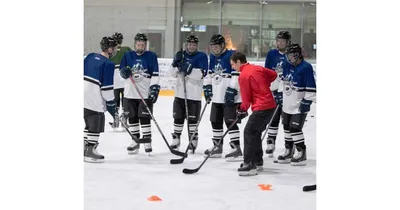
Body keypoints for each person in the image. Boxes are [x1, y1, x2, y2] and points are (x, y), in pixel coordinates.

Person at [230, 52, 277, 176]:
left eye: (233, 64)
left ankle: (249, 164)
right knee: (255, 132)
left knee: (249, 132)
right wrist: (264, 84)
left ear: (239, 62)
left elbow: (246, 98)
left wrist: (242, 110)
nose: (232, 67)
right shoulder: (257, 68)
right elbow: (273, 74)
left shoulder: (243, 75)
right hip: (270, 105)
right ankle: (257, 161)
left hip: (262, 107)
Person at [203, 34, 243, 161]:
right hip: (217, 97)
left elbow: (237, 74)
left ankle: (236, 148)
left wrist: (232, 90)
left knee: (230, 121)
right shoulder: (212, 57)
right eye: (213, 46)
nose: (215, 49)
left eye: (217, 46)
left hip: (229, 97)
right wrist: (207, 87)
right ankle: (217, 147)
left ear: (222, 46)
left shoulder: (232, 55)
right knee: (215, 121)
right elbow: (209, 74)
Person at [119, 33, 160, 154]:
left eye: (143, 45)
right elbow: (121, 73)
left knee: (145, 117)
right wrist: (123, 73)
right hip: (130, 93)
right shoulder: (127, 55)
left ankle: (147, 141)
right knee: (132, 118)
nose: (140, 46)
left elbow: (155, 75)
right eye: (138, 44)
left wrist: (154, 89)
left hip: (144, 93)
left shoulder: (151, 56)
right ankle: (135, 141)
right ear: (135, 44)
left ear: (145, 45)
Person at [276, 44, 316, 166]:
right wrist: (279, 94)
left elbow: (311, 85)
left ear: (297, 54)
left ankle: (301, 151)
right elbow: (283, 81)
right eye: (287, 55)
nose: (289, 57)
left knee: (295, 128)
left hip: (299, 104)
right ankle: (289, 150)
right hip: (288, 102)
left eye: (291, 55)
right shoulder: (287, 65)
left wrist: (307, 100)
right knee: (287, 127)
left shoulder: (306, 67)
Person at [169, 34, 208, 153]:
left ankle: (193, 140)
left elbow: (201, 74)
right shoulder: (181, 55)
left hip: (194, 95)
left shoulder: (202, 56)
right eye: (190, 44)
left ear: (197, 46)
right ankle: (176, 140)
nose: (191, 46)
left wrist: (188, 70)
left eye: (194, 45)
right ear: (186, 45)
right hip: (180, 94)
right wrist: (175, 64)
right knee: (178, 118)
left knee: (192, 120)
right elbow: (172, 73)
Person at [84, 37, 118, 163]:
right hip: (94, 98)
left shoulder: (90, 56)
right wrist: (111, 103)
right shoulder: (108, 64)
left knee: (87, 123)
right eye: (114, 48)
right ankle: (90, 151)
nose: (115, 51)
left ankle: (83, 147)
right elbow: (106, 89)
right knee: (95, 122)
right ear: (109, 49)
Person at [263, 31, 291, 157]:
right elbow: (266, 72)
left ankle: (289, 146)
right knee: (273, 117)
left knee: (286, 121)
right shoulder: (271, 54)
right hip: (273, 90)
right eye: (278, 40)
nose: (279, 43)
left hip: (287, 92)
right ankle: (271, 142)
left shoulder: (292, 55)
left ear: (287, 42)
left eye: (282, 41)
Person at [109, 32, 132, 129]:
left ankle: (115, 119)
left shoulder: (110, 52)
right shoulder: (126, 49)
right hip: (125, 81)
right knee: (126, 101)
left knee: (116, 101)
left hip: (114, 82)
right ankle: (124, 120)